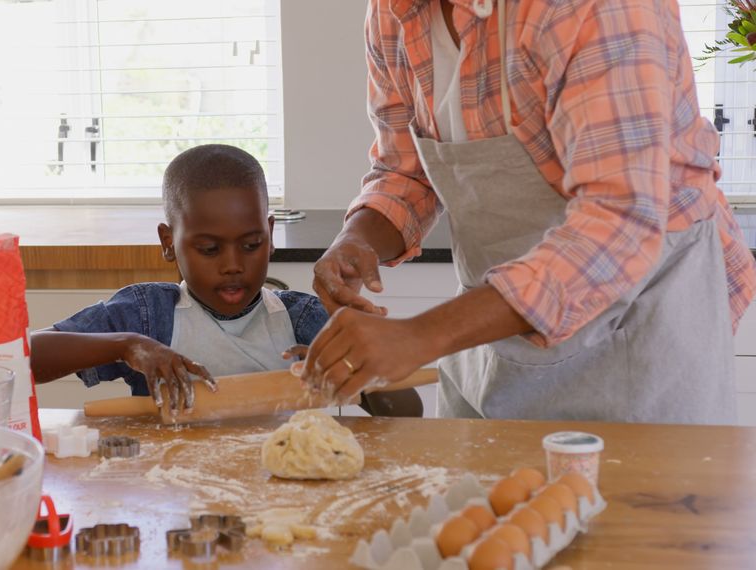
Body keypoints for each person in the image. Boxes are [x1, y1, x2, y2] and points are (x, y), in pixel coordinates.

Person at [304, 0, 756, 424]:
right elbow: (405, 170)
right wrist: (357, 239)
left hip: (641, 334)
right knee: (475, 505)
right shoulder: (394, 12)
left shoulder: (590, 7)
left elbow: (620, 221)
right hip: (491, 337)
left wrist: (421, 336)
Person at [30, 144, 332, 415]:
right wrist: (125, 345)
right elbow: (29, 356)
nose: (233, 265)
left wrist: (352, 371)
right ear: (168, 242)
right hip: (169, 476)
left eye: (251, 245)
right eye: (209, 249)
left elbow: (378, 402)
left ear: (270, 233)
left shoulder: (301, 320)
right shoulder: (146, 316)